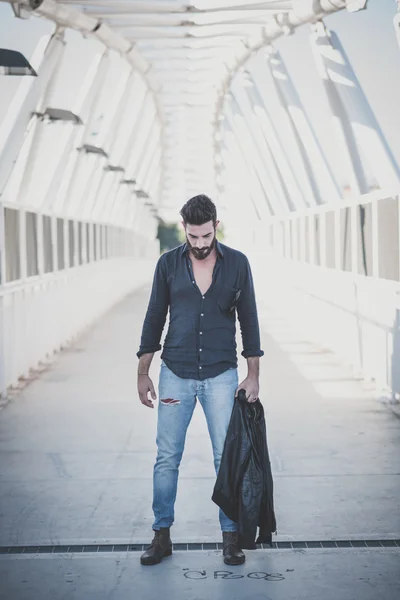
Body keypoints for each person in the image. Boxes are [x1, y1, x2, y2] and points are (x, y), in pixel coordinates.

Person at [137, 194, 264, 566]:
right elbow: (154, 318)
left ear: (216, 227)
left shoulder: (238, 264)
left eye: (205, 236)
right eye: (193, 237)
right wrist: (143, 372)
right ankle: (161, 535)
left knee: (227, 457)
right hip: (175, 374)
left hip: (222, 375)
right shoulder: (168, 265)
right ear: (185, 231)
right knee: (167, 457)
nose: (199, 244)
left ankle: (230, 537)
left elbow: (250, 321)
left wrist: (252, 375)